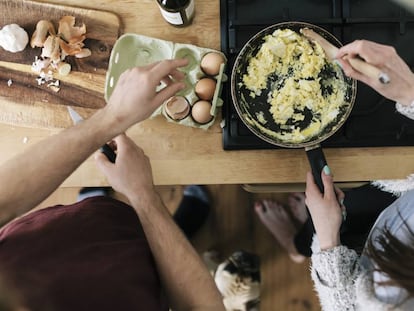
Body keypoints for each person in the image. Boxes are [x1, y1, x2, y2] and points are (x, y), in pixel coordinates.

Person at [0, 59, 225, 311]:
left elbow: (3, 200)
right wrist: (144, 197)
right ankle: (175, 231)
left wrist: (110, 119)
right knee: (161, 253)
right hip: (139, 283)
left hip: (81, 229)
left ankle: (96, 204)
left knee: (96, 214)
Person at [256, 40, 414, 310]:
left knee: (323, 220)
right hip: (401, 200)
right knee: (344, 201)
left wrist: (328, 240)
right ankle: (304, 232)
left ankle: (296, 247)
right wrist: (411, 93)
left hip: (372, 248)